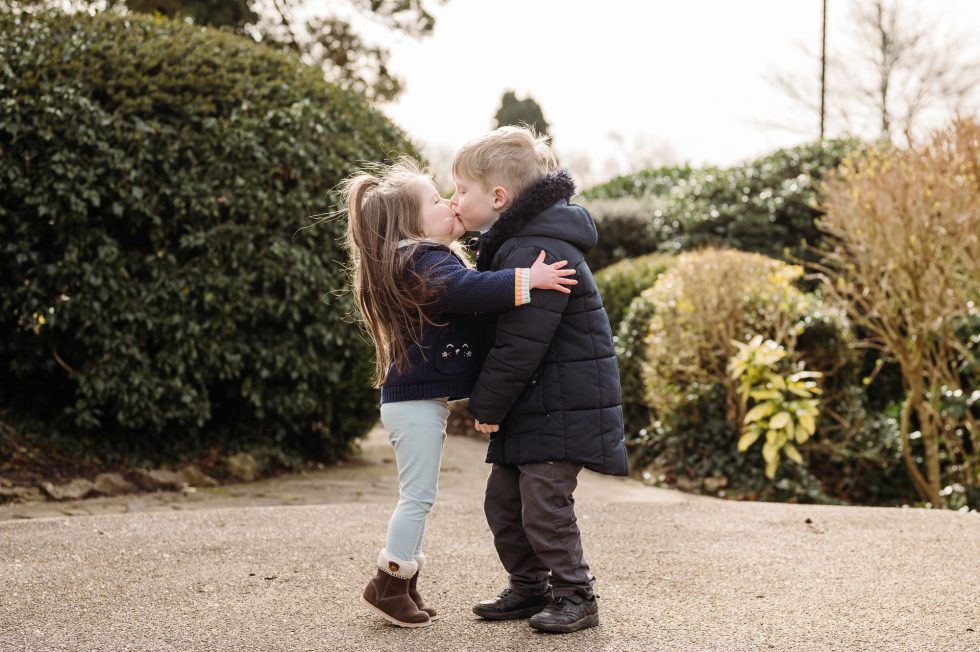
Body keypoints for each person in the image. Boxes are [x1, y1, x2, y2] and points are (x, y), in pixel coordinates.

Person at [340, 156, 578, 628]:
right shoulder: (418, 260)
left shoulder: (419, 256)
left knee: (419, 494)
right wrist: (529, 280)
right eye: (435, 199)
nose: (448, 201)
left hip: (417, 402)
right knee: (417, 496)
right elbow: (466, 290)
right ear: (412, 222)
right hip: (412, 404)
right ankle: (389, 582)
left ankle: (402, 584)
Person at [449, 126, 629, 634]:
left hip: (561, 403)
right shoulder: (515, 245)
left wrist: (485, 405)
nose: (454, 199)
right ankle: (530, 586)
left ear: (499, 197)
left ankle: (576, 593)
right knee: (504, 501)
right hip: (534, 404)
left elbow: (521, 344)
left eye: (463, 189)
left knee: (545, 504)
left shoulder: (539, 253)